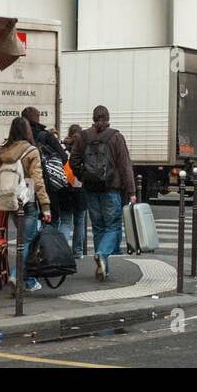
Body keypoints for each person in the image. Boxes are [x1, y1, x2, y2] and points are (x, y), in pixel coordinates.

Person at [69, 105, 136, 282]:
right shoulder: (116, 137)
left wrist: (83, 176)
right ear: (108, 118)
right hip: (110, 188)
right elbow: (125, 165)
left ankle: (103, 267)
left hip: (90, 188)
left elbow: (73, 160)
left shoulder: (83, 136)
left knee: (98, 226)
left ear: (93, 117)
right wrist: (131, 190)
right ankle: (102, 254)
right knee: (113, 226)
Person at [0, 116, 51, 292]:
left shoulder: (4, 151)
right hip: (28, 199)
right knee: (27, 241)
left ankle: (28, 281)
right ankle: (15, 274)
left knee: (22, 240)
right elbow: (38, 180)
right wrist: (46, 206)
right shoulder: (31, 151)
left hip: (11, 200)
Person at [21, 106, 69, 219]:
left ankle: (32, 235)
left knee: (29, 215)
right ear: (38, 119)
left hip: (26, 182)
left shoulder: (19, 138)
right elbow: (64, 157)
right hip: (46, 183)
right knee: (50, 217)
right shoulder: (46, 136)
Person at [62, 124, 90, 258]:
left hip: (65, 188)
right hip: (80, 188)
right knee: (80, 222)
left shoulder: (63, 151)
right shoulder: (83, 151)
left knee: (65, 222)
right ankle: (78, 252)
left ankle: (63, 251)